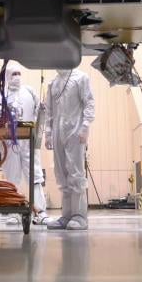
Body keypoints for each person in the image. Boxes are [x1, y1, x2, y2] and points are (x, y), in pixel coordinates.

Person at [44, 69, 95, 230]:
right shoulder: (53, 83)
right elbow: (49, 110)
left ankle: (79, 216)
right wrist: (48, 132)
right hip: (58, 133)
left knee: (76, 173)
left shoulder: (81, 77)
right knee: (61, 174)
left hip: (75, 131)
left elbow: (89, 102)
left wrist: (85, 126)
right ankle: (66, 216)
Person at [2, 62, 48, 224]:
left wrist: (43, 108)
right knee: (12, 177)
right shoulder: (2, 94)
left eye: (19, 74)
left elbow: (40, 111)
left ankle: (40, 211)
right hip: (10, 143)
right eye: (14, 74)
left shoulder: (29, 91)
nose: (17, 77)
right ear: (7, 76)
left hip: (28, 141)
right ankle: (13, 211)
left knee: (34, 176)